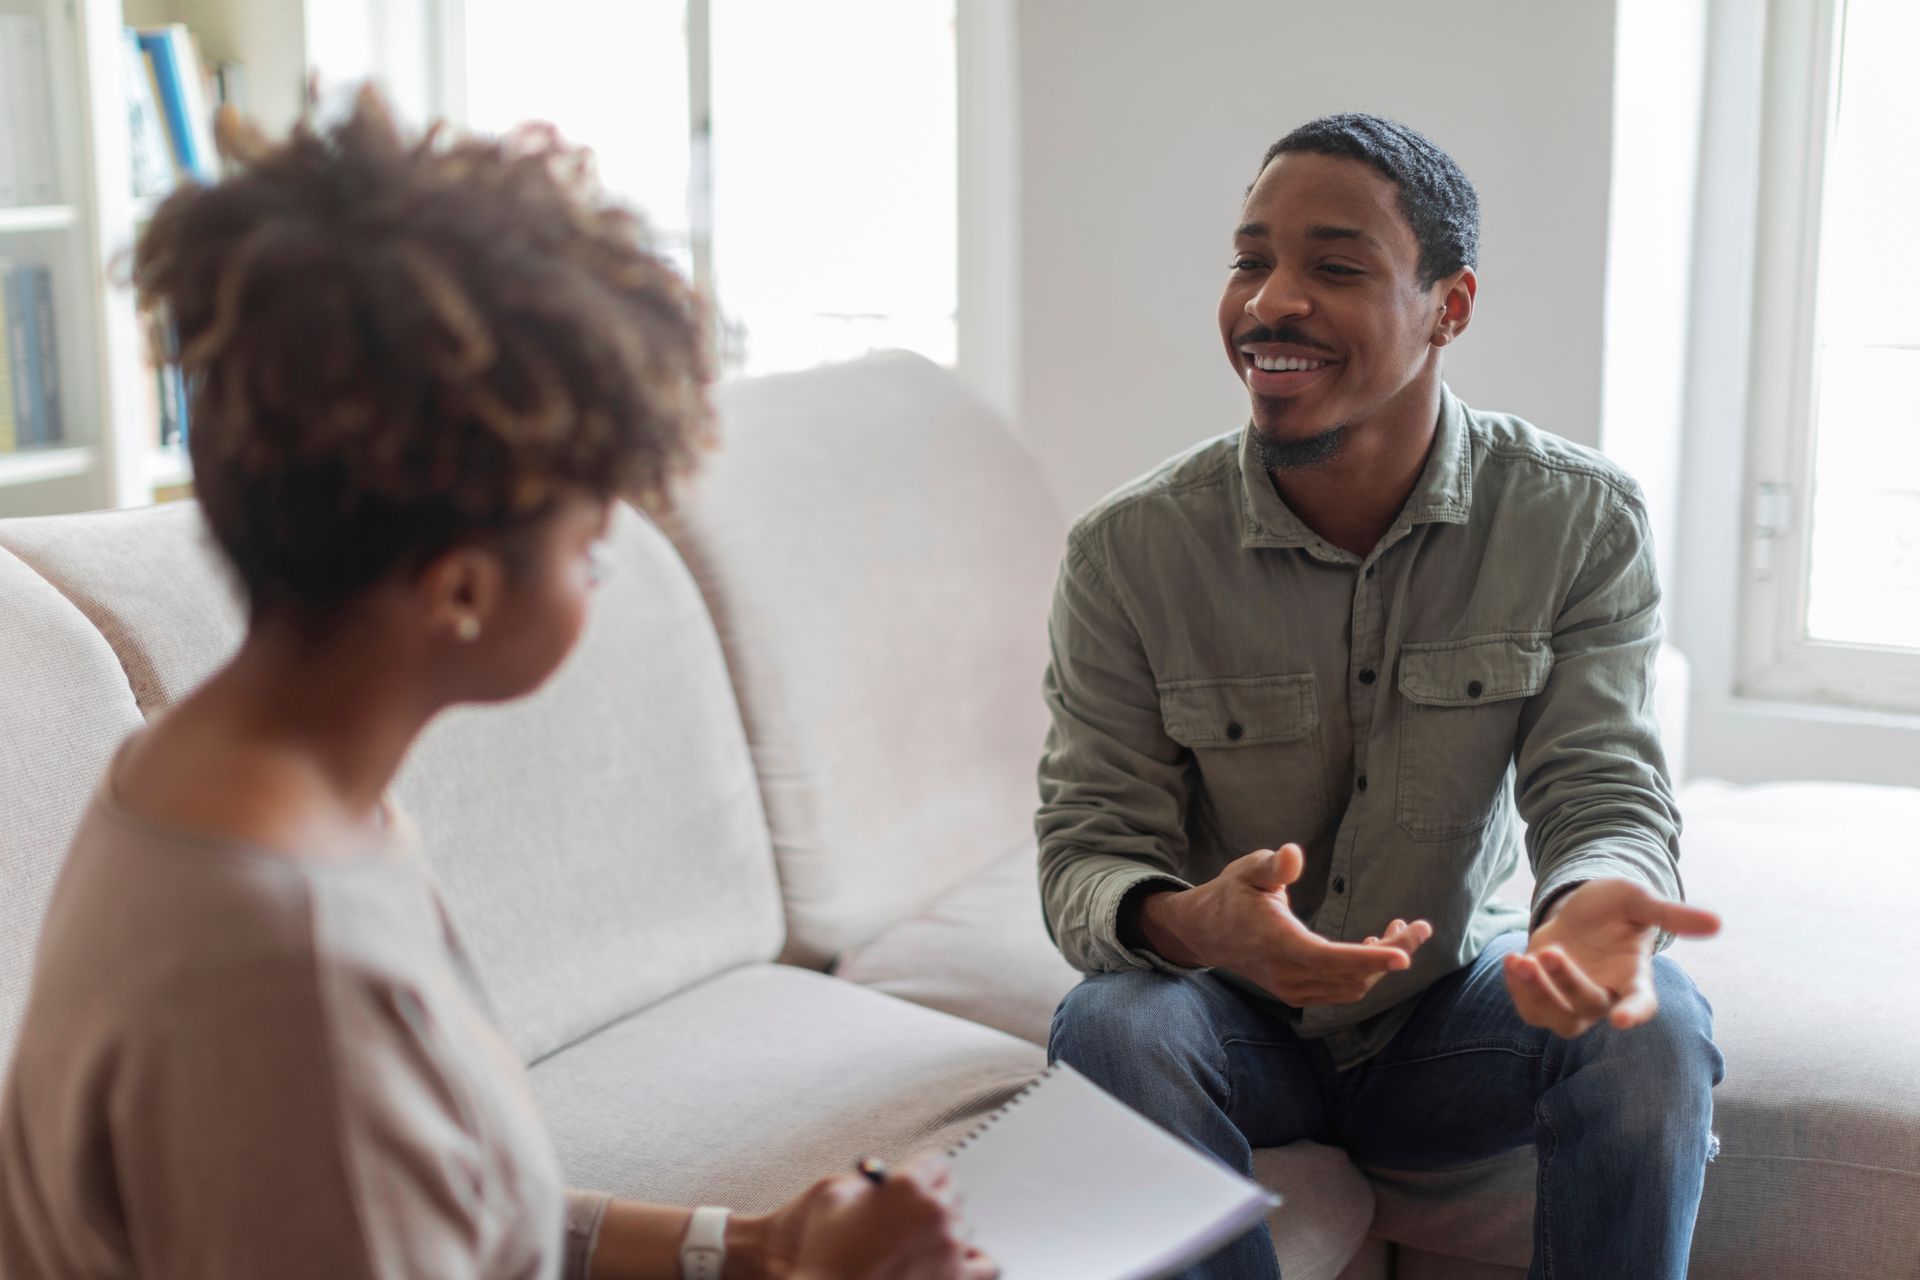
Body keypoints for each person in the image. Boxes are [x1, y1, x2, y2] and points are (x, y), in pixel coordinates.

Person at [0, 91, 994, 1280]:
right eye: (588, 540)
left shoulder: (233, 784)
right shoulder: (291, 975)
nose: (606, 566)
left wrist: (750, 1250)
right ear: (464, 591)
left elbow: (453, 1192)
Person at [1037, 113, 1724, 1280]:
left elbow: (1601, 780)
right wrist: (1191, 919)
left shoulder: (1576, 518)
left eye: (1334, 267)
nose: (1269, 303)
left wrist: (1598, 901)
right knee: (1108, 1025)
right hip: (1231, 1024)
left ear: (1449, 306)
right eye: (1251, 259)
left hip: (1446, 1020)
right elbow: (1087, 847)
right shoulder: (1128, 552)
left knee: (1653, 1021)